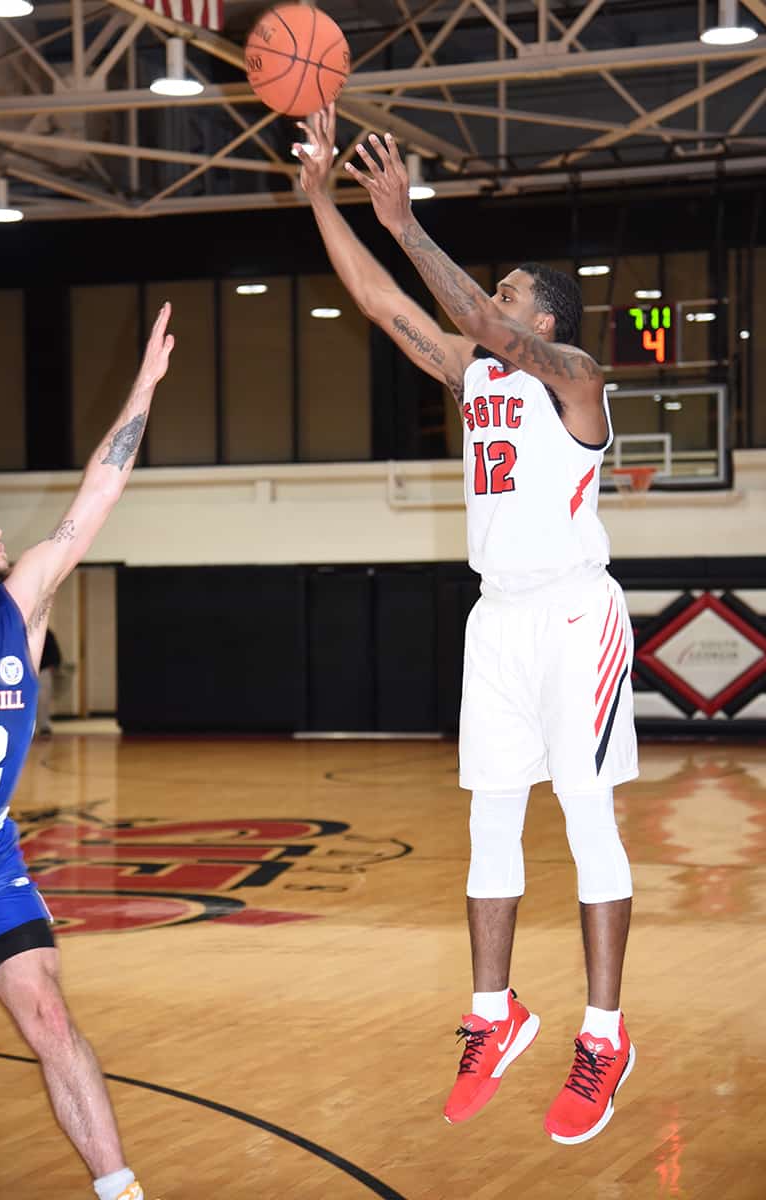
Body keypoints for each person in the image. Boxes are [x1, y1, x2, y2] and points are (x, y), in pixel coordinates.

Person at [295, 107, 637, 1146]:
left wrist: (406, 221)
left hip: (577, 612)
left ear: (549, 319)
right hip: (498, 618)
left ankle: (605, 1034)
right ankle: (495, 1016)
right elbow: (382, 302)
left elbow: (481, 323)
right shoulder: (474, 375)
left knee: (584, 812)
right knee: (491, 816)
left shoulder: (575, 382)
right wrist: (321, 199)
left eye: (509, 292)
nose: (491, 303)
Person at [0, 303, 173, 1199]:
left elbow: (97, 494)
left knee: (51, 1016)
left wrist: (144, 386)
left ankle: (121, 1191)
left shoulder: (22, 604)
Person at [37, 626, 62, 736]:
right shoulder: (20, 630)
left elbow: (54, 651)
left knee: (43, 699)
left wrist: (54, 664)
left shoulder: (46, 633)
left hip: (43, 669)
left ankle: (44, 725)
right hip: (25, 670)